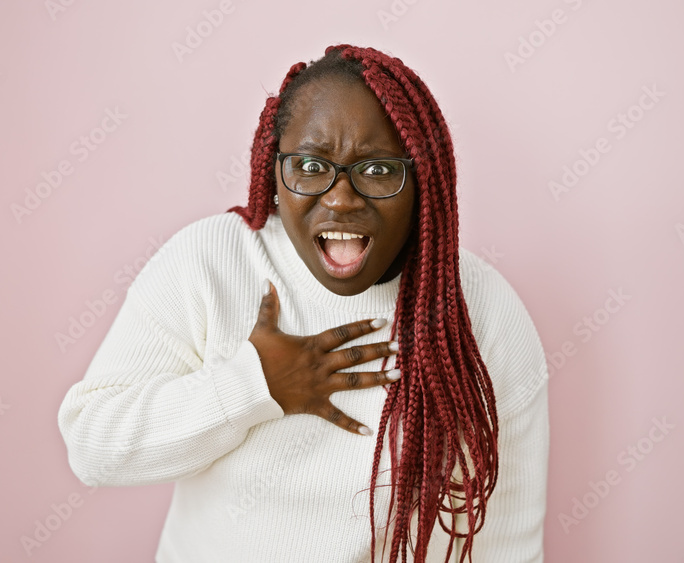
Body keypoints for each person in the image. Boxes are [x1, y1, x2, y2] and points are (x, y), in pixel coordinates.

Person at [58, 44, 550, 563]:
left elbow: (505, 538)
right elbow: (94, 447)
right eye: (312, 165)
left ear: (422, 180)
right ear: (273, 170)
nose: (341, 198)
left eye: (379, 170)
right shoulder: (211, 262)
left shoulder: (481, 312)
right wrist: (255, 384)